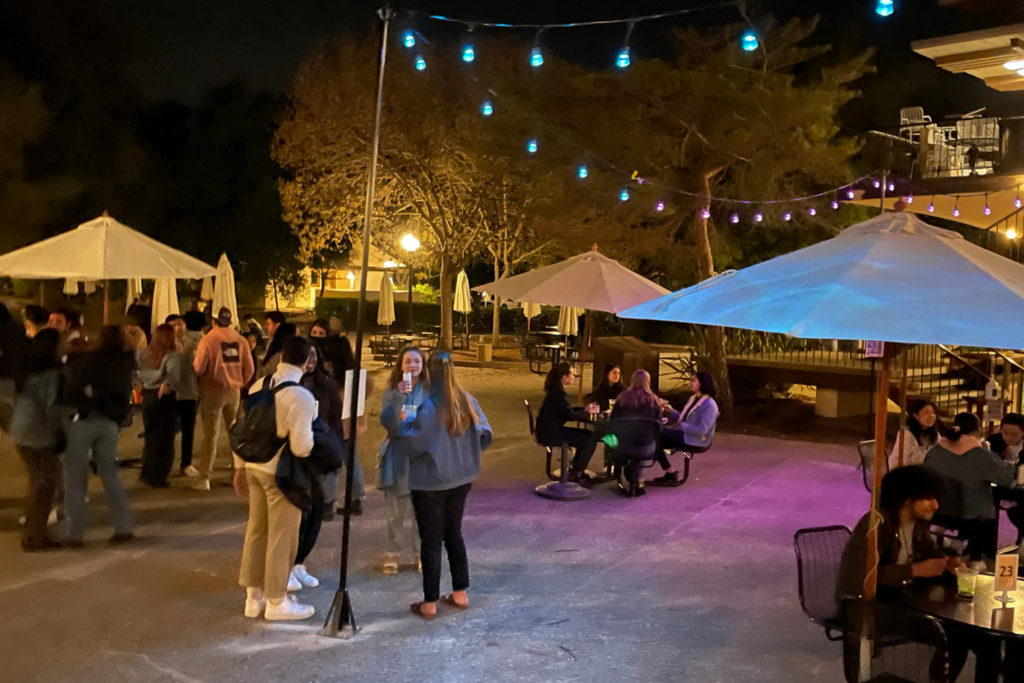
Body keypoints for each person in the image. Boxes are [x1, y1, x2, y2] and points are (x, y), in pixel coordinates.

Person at [397, 351, 492, 619]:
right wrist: (467, 454)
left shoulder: (428, 406)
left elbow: (412, 444)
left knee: (431, 541)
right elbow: (486, 433)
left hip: (430, 481)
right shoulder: (467, 401)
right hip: (461, 479)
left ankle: (429, 602)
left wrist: (402, 426)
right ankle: (460, 593)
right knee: (454, 534)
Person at [235, 335, 317, 621]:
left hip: (253, 466)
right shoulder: (301, 396)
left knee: (256, 531)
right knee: (282, 538)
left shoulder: (260, 384)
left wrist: (238, 467)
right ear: (308, 361)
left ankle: (253, 597)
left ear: (281, 356)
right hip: (280, 473)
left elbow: (240, 426)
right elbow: (301, 447)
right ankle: (277, 601)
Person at [62, 326, 136, 547]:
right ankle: (124, 527)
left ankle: (75, 534)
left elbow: (74, 388)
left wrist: (87, 398)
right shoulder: (125, 362)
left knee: (75, 478)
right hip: (110, 422)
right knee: (110, 474)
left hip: (85, 421)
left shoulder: (90, 360)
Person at [924, 412, 1013, 560]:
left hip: (936, 510)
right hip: (971, 516)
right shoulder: (980, 455)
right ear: (977, 431)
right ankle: (981, 556)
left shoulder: (935, 451)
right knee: (986, 507)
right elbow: (1005, 478)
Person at [292, 342, 344, 589]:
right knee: (296, 512)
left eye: (314, 355)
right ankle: (288, 564)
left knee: (317, 511)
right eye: (307, 355)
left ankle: (299, 561)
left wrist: (335, 449)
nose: (311, 360)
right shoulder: (290, 384)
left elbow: (335, 417)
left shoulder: (326, 383)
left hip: (319, 454)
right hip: (296, 455)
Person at [10, 329, 63, 551]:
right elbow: (52, 408)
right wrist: (59, 434)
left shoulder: (25, 371)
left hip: (20, 430)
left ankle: (34, 533)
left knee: (38, 483)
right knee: (45, 486)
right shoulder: (52, 374)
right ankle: (34, 536)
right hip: (38, 434)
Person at [192, 307, 255, 491]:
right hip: (234, 390)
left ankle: (204, 477)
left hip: (213, 390)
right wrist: (240, 382)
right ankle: (237, 472)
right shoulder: (240, 340)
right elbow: (250, 368)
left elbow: (199, 367)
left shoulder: (209, 339)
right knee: (234, 432)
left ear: (214, 321)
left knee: (211, 435)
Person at [378, 346, 427, 574]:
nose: (413, 366)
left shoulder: (429, 391)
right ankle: (392, 553)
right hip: (398, 455)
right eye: (408, 361)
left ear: (423, 366)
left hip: (421, 456)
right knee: (395, 512)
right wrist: (399, 397)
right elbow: (389, 422)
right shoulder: (391, 392)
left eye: (417, 362)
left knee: (422, 511)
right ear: (401, 365)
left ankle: (421, 554)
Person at [535, 362, 600, 485]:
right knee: (589, 438)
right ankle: (576, 474)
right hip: (550, 433)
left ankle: (575, 470)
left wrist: (584, 410)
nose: (574, 376)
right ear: (564, 377)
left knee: (586, 437)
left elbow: (566, 410)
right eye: (572, 374)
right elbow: (568, 415)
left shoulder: (556, 391)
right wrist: (589, 416)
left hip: (547, 430)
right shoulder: (558, 393)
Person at [652, 371, 719, 485]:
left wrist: (681, 426)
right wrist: (672, 412)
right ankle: (670, 472)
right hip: (685, 435)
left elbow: (702, 430)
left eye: (693, 380)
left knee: (657, 433)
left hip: (696, 440)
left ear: (702, 383)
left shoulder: (710, 405)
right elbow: (684, 419)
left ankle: (668, 472)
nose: (690, 382)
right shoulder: (693, 398)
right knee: (654, 440)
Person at [137, 324, 181, 488]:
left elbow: (137, 373)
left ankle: (147, 471)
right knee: (165, 438)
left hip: (147, 395)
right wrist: (167, 384)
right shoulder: (171, 356)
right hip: (164, 397)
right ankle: (159, 475)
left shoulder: (143, 354)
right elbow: (173, 376)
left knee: (150, 435)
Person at [607, 369, 663, 495]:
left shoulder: (622, 398)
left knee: (613, 437)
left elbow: (613, 422)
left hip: (621, 446)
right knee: (643, 438)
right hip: (645, 448)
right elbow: (658, 427)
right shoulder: (654, 401)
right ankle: (637, 480)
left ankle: (621, 472)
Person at [172, 313, 203, 477]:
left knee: (188, 430)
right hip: (171, 392)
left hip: (189, 391)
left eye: (180, 324)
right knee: (167, 430)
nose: (178, 328)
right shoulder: (166, 345)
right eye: (174, 325)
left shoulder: (194, 343)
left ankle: (186, 463)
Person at [887, 399, 941, 470]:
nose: (931, 416)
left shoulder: (935, 434)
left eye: (933, 413)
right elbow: (904, 461)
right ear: (916, 416)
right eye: (926, 413)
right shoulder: (907, 434)